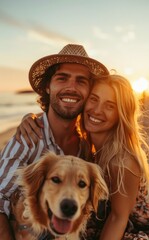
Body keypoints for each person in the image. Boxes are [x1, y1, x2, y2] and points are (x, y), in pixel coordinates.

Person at [16, 74, 149, 239]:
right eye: (93, 99)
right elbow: (57, 121)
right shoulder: (85, 144)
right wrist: (31, 119)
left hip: (145, 228)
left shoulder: (122, 161)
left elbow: (118, 217)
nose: (97, 110)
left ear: (121, 114)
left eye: (110, 106)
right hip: (111, 220)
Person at [0, 43, 109, 240]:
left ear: (89, 93)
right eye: (62, 78)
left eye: (81, 81)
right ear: (47, 87)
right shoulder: (27, 139)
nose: (71, 88)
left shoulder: (88, 141)